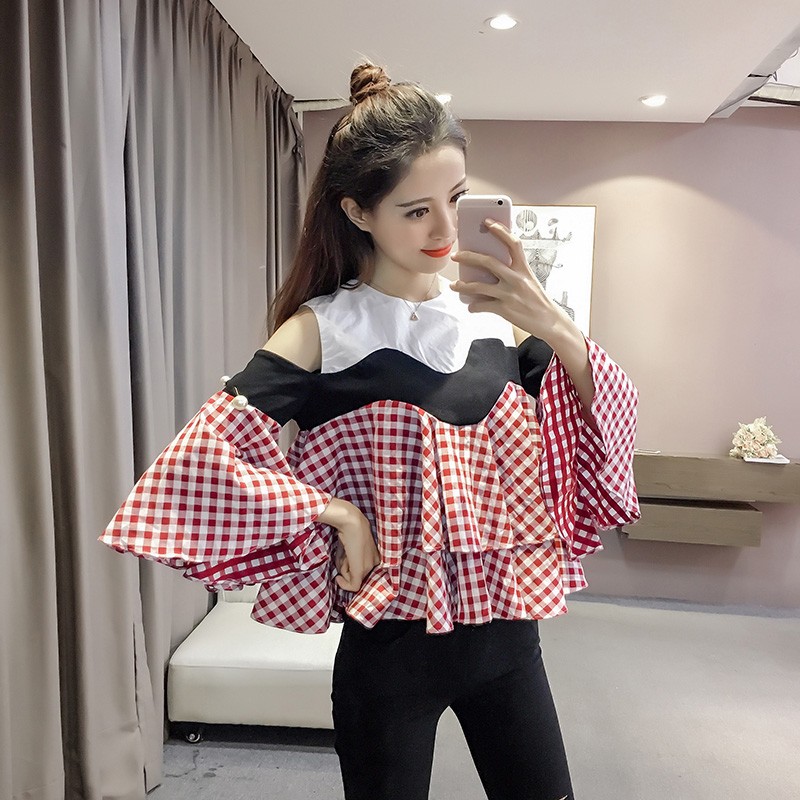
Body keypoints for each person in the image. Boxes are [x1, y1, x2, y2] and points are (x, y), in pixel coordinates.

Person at [101, 63, 640, 800]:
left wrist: (556, 326)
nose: (445, 230)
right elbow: (194, 466)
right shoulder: (323, 331)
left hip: (510, 643)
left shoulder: (500, 324)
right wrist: (335, 512)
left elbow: (601, 430)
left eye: (455, 199)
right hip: (389, 659)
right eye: (416, 211)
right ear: (357, 212)